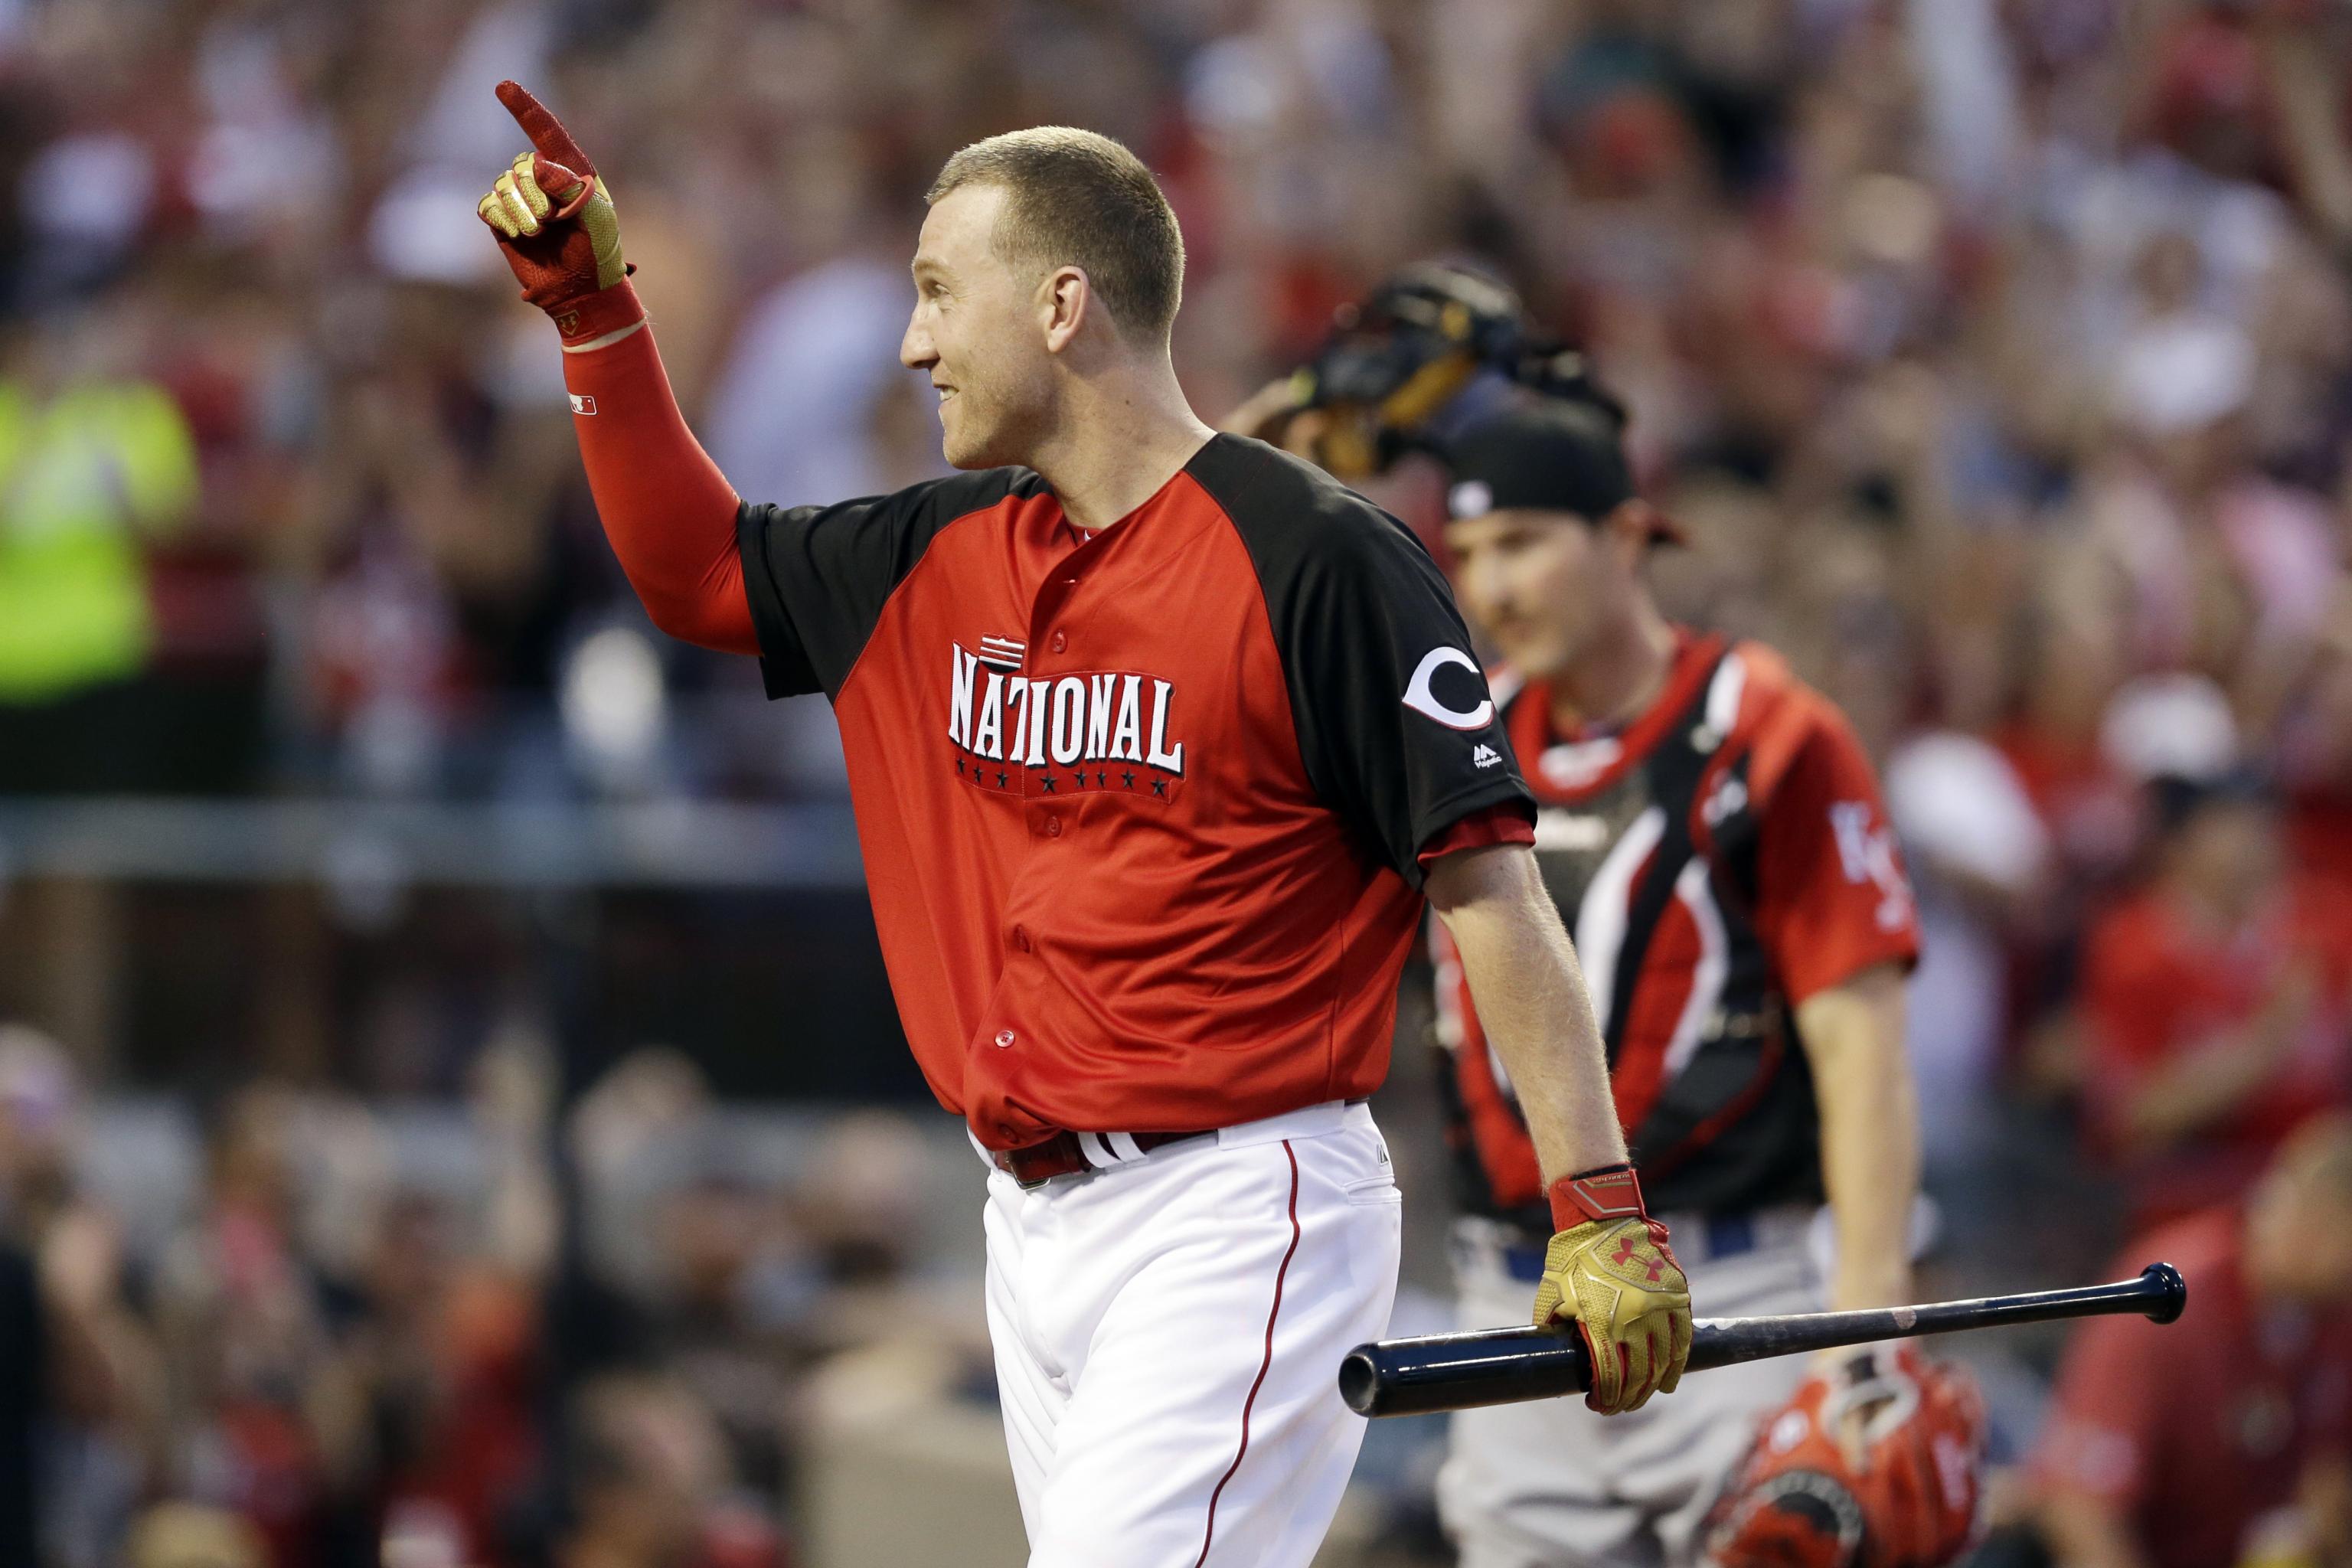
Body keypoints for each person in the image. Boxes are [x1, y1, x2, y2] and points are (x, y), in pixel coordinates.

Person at [472, 85, 1690, 1566]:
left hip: (1240, 1203)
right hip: (1027, 1219)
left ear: (1061, 304)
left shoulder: (1322, 558)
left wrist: (1598, 1203)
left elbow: (1490, 893)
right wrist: (596, 318)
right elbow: (696, 574)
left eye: (938, 291)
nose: (913, 341)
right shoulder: (936, 555)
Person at [1419, 394, 1963, 1566]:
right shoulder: (1459, 735)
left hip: (1733, 1305)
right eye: (1467, 554)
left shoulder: (1770, 732)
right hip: (1509, 1314)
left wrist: (1865, 1329)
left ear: (1625, 537)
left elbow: (1863, 1049)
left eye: (1522, 540)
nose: (1492, 586)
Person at [2033, 1113, 2352, 1568]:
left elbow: (2328, 1487)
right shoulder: (2167, 1302)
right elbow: (2080, 1509)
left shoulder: (2332, 1316)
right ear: (2327, 1225)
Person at [2078, 771, 2352, 1230]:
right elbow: (2133, 1119)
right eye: (2230, 824)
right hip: (2191, 1206)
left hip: (2319, 1200)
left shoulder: (2322, 917)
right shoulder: (2133, 947)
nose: (2254, 840)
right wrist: (2262, 1046)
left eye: (2262, 823)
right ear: (2177, 846)